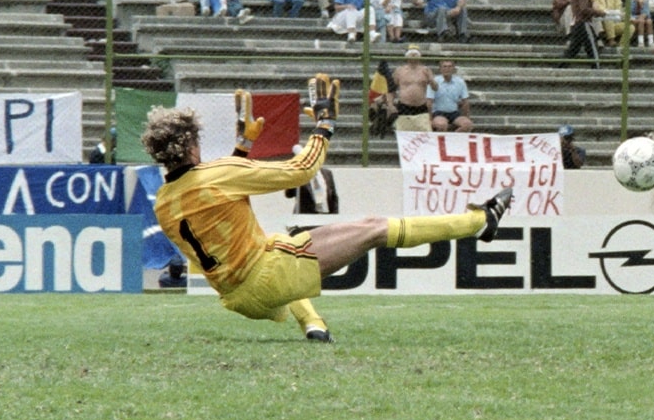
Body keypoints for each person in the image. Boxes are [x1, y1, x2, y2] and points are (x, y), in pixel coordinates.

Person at [146, 78, 512, 342]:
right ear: (191, 146)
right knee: (373, 228)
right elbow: (301, 170)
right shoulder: (216, 175)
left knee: (279, 243)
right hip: (267, 278)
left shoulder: (164, 201)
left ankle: (313, 324)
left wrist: (242, 147)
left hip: (237, 297)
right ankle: (480, 221)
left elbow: (217, 201)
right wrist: (324, 126)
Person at [427, 58, 474, 132]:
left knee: (467, 125)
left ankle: (454, 138)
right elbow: (429, 101)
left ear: (454, 69)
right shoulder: (434, 82)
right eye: (444, 66)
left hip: (454, 112)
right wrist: (429, 119)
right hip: (438, 112)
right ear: (440, 69)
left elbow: (465, 101)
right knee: (441, 125)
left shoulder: (460, 82)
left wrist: (466, 116)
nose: (447, 69)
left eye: (449, 66)